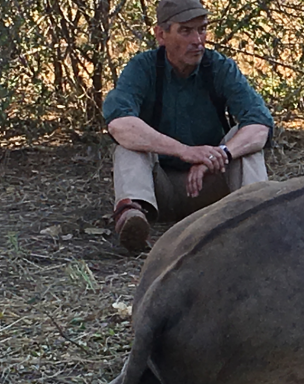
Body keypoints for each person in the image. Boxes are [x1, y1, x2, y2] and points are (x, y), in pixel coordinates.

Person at [102, 0, 274, 252]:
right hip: (159, 190)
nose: (198, 40)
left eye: (202, 29)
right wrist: (184, 150)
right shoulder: (143, 67)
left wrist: (220, 154)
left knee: (245, 139)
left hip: (212, 183)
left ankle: (256, 216)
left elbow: (260, 124)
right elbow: (119, 123)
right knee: (128, 144)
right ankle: (133, 216)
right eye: (185, 31)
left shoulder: (219, 66)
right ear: (161, 34)